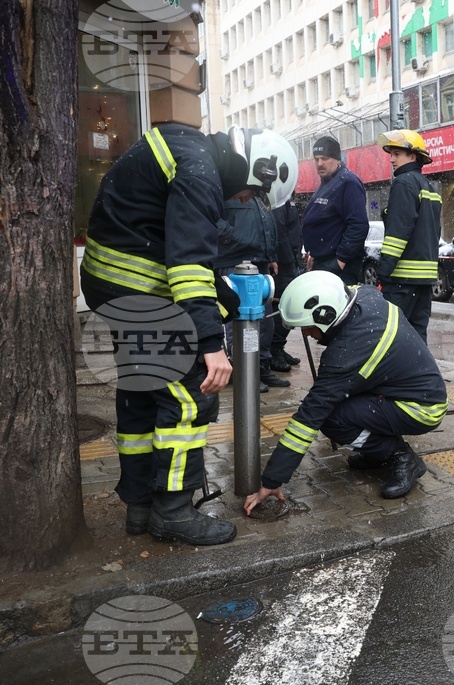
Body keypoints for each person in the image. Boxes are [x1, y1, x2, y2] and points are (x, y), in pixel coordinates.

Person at [81, 124, 298, 546]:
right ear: (254, 168)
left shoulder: (186, 149)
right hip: (142, 291)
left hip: (117, 286)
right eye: (252, 192)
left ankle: (140, 507)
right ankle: (175, 513)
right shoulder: (200, 171)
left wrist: (225, 300)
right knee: (189, 397)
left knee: (142, 395)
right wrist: (211, 346)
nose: (242, 200)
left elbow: (172, 244)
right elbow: (187, 262)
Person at [242, 271, 448, 514]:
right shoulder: (365, 297)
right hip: (409, 390)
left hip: (421, 409)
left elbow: (308, 418)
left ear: (326, 316)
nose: (306, 334)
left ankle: (401, 457)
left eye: (307, 327)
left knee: (331, 419)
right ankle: (377, 450)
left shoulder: (346, 354)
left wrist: (272, 480)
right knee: (342, 405)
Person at [215, 194, 290, 390]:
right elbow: (211, 218)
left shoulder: (258, 194)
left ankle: (260, 366)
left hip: (259, 262)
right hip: (234, 261)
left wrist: (270, 255)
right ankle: (241, 369)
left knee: (264, 320)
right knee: (239, 318)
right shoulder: (228, 186)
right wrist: (232, 236)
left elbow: (266, 225)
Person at [375, 129, 442, 342]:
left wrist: (383, 272)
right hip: (424, 280)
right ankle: (420, 374)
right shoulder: (429, 187)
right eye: (391, 154)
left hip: (402, 280)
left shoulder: (404, 182)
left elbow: (397, 234)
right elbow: (431, 233)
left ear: (413, 156)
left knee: (390, 336)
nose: (392, 160)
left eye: (397, 154)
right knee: (417, 336)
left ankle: (392, 376)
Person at [301, 136, 369, 284]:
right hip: (323, 262)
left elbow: (358, 225)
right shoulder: (328, 183)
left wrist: (341, 260)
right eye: (316, 159)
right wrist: (314, 255)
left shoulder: (347, 182)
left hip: (338, 267)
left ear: (337, 159)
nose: (320, 164)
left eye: (324, 159)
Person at [269, 200, 304, 371]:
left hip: (290, 260)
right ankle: (274, 350)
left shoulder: (287, 198)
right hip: (284, 263)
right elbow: (279, 230)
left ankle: (279, 347)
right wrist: (288, 258)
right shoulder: (279, 199)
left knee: (287, 306)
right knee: (282, 306)